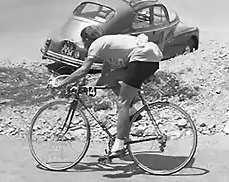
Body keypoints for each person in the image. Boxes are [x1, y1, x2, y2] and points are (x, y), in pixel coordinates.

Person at [51, 25, 163, 159]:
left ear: (87, 39)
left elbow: (83, 70)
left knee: (122, 103)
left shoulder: (96, 45)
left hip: (142, 58)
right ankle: (132, 112)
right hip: (149, 56)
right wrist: (86, 87)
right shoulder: (106, 45)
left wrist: (62, 84)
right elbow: (105, 76)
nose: (83, 44)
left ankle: (119, 145)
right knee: (111, 79)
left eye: (83, 41)